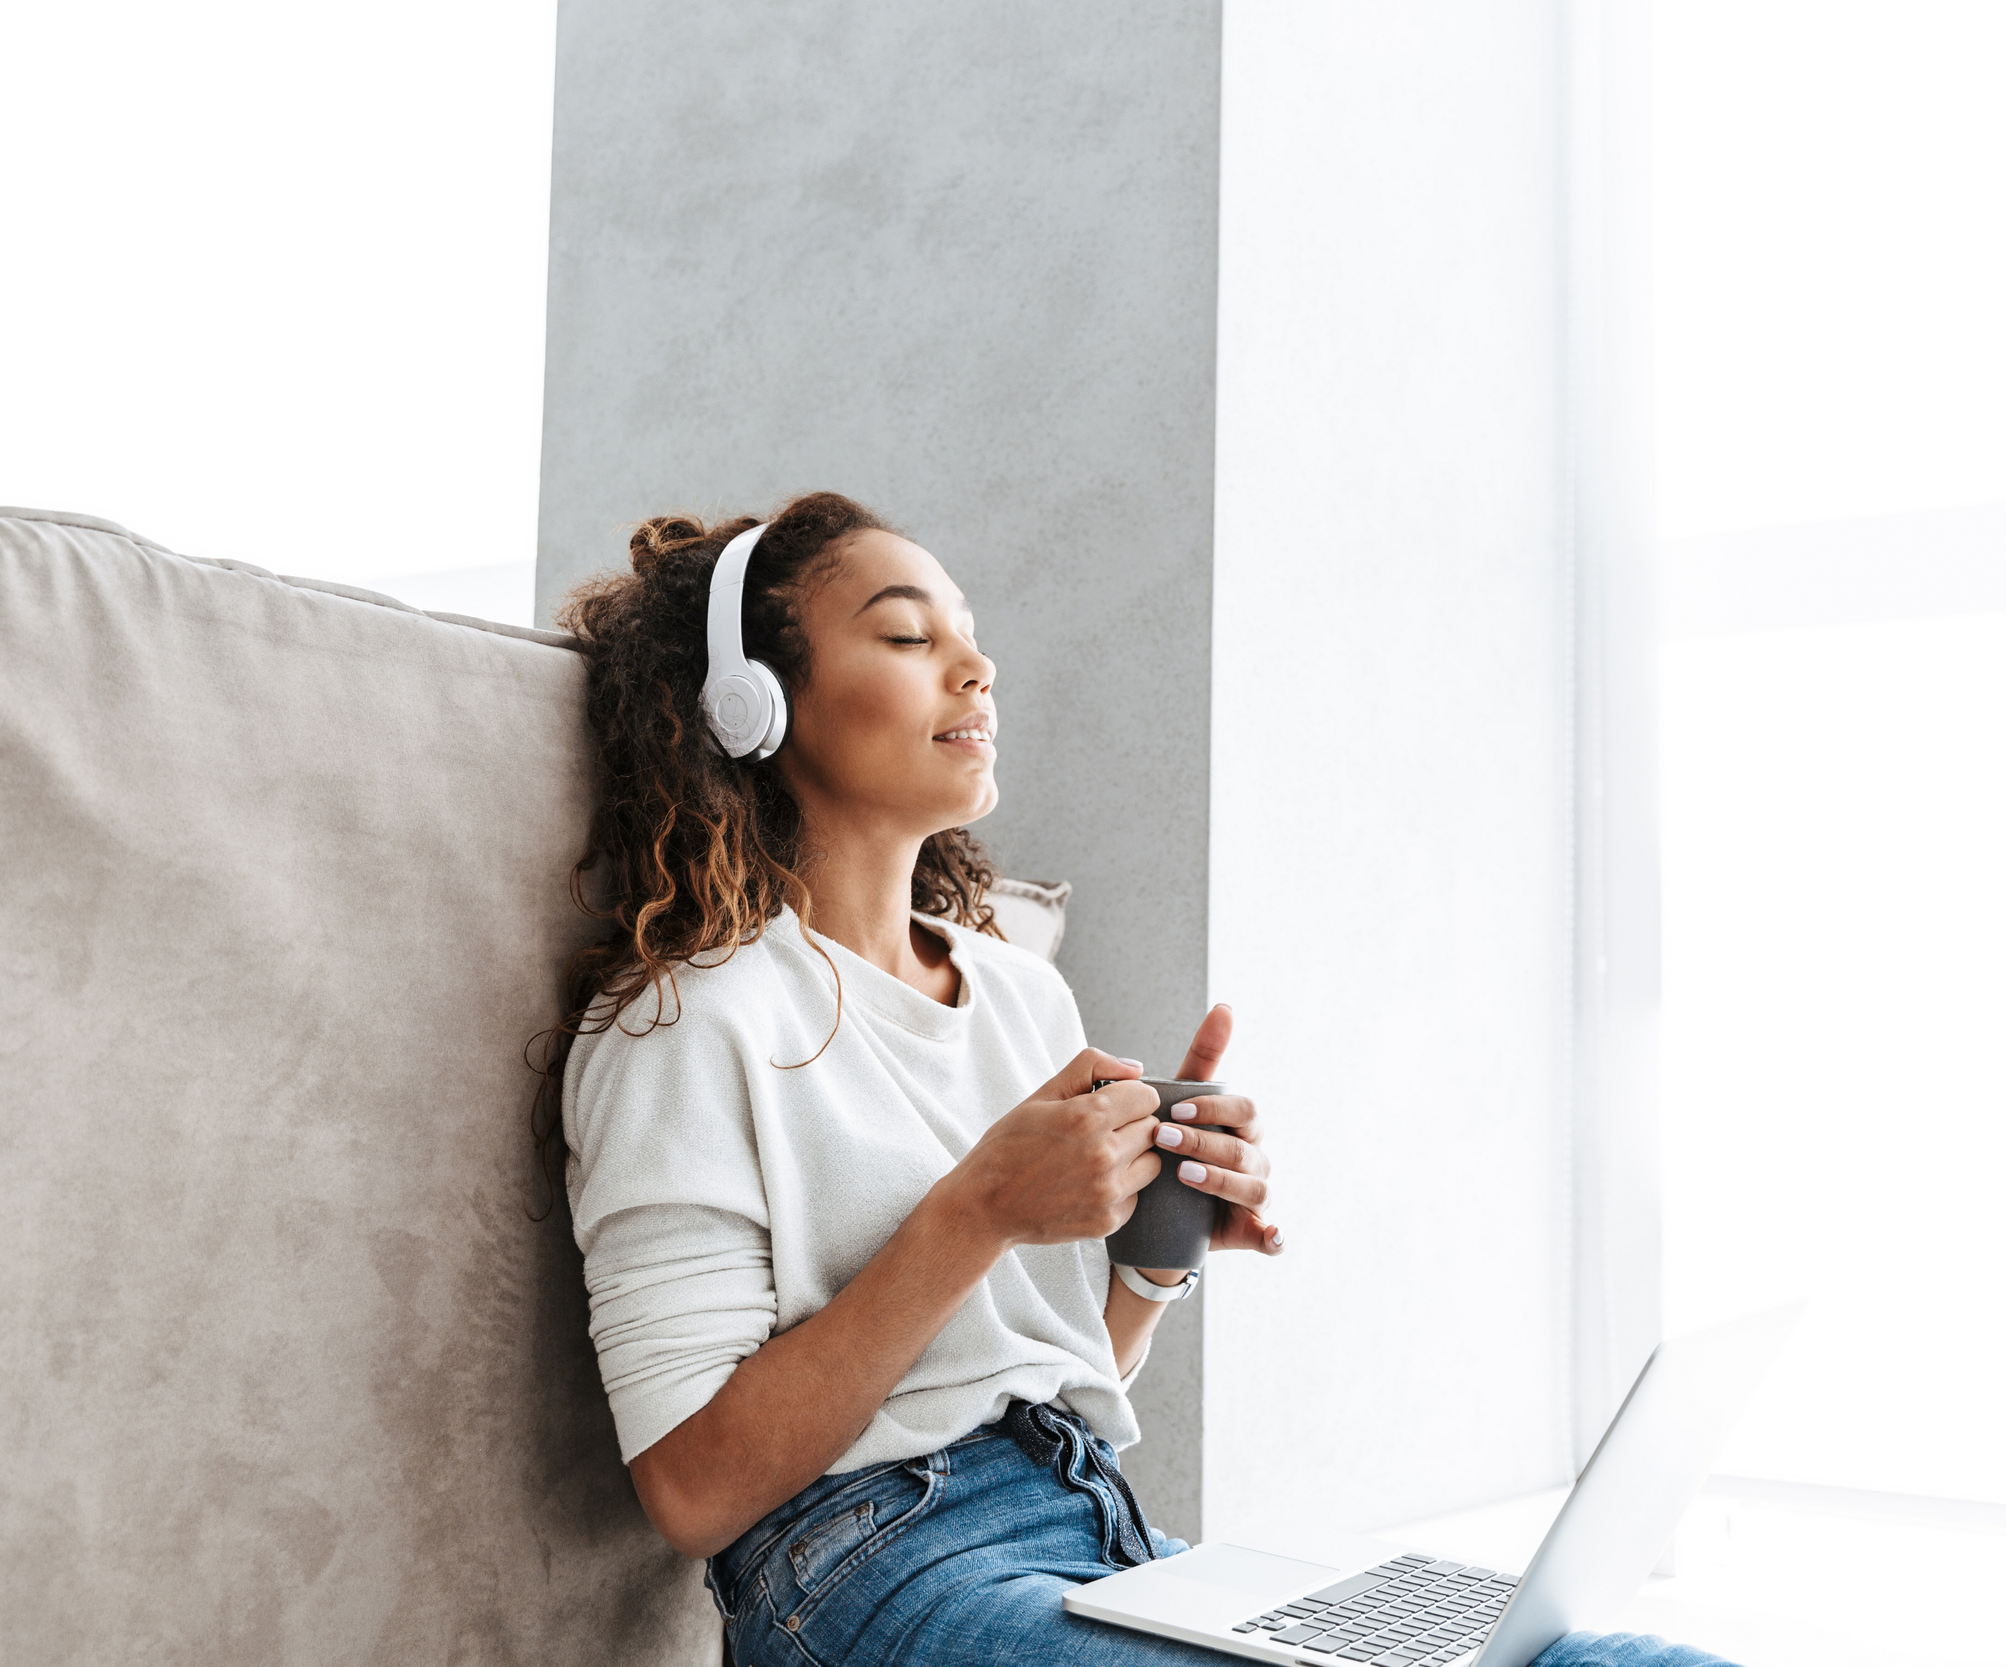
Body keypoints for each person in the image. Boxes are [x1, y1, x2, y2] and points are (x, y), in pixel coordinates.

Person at [540, 494, 1728, 1667]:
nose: (976, 667)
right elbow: (691, 1488)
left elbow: (1043, 1375)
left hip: (1097, 1524)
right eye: (907, 634)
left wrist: (1159, 1251)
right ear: (753, 702)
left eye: (969, 633)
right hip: (865, 1569)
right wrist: (977, 1210)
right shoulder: (685, 1020)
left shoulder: (1018, 994)